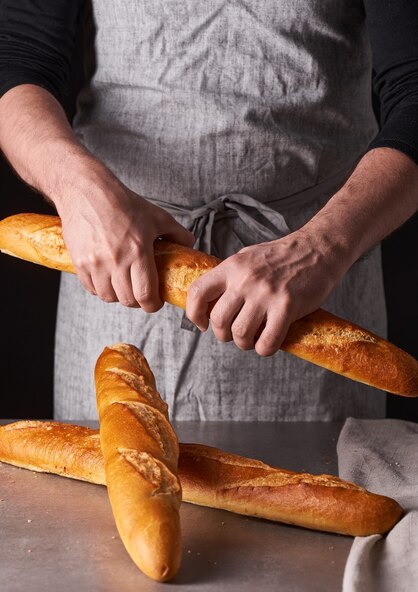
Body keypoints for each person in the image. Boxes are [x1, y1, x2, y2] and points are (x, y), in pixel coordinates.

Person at [0, 1, 417, 422]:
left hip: (316, 284)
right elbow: (16, 57)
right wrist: (76, 187)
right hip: (116, 264)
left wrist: (321, 248)